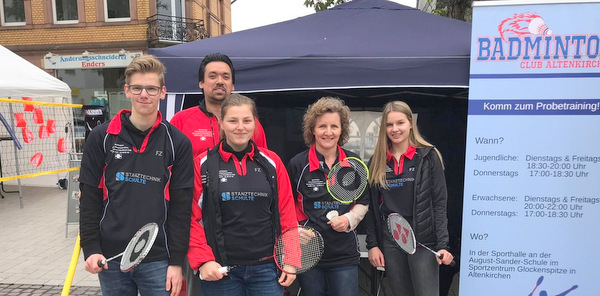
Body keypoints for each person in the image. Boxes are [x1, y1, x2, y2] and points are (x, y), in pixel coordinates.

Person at [79, 55, 194, 296]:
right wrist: (90, 249)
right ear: (127, 91)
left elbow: (181, 208)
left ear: (162, 92)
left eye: (151, 88)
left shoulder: (178, 143)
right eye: (137, 88)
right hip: (110, 257)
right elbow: (89, 198)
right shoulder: (101, 138)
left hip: (158, 258)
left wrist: (176, 261)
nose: (144, 94)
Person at [187, 94, 297, 295]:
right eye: (232, 120)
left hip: (267, 270)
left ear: (255, 123)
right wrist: (203, 261)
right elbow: (191, 218)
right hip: (220, 271)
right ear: (221, 122)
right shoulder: (203, 165)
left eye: (247, 120)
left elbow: (286, 213)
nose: (240, 127)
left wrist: (290, 260)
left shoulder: (272, 163)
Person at [364, 101, 454, 296]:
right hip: (391, 239)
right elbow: (371, 207)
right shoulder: (377, 161)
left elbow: (439, 204)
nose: (395, 129)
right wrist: (373, 245)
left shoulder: (429, 156)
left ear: (410, 123)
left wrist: (443, 245)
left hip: (423, 239)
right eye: (389, 125)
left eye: (400, 123)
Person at [287, 97, 369, 296]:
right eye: (322, 126)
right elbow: (285, 207)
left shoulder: (353, 162)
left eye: (334, 126)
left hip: (344, 255)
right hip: (308, 254)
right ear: (312, 129)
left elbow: (364, 201)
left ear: (342, 131)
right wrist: (297, 230)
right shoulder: (298, 164)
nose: (328, 132)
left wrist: (349, 219)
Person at [170, 52, 267, 158]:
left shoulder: (249, 124)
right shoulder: (181, 120)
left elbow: (262, 162)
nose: (220, 81)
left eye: (226, 77)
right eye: (213, 76)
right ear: (201, 83)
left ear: (232, 85)